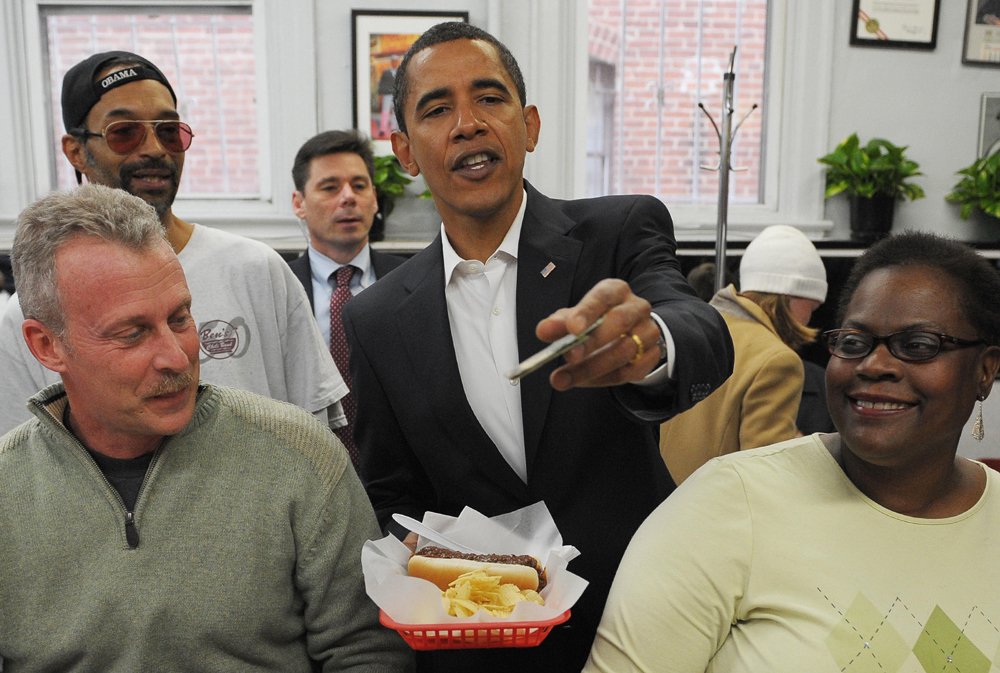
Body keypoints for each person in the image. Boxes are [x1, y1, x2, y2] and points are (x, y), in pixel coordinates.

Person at [341, 22, 734, 671]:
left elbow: (698, 326)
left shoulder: (617, 231)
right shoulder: (376, 318)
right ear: (406, 150)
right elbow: (393, 490)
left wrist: (648, 345)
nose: (467, 123)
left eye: (489, 99)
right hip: (485, 642)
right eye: (437, 108)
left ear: (529, 125)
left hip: (642, 615)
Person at [0, 184, 413, 672]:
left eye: (180, 318)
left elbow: (367, 650)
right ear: (47, 346)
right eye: (132, 334)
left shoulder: (300, 456)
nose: (178, 357)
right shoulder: (10, 486)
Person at [585, 231, 1000, 673]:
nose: (874, 365)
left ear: (986, 370)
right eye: (854, 342)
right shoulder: (729, 505)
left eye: (919, 345)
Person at [0, 51, 346, 436]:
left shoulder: (254, 269)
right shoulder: (32, 314)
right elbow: (25, 467)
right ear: (76, 151)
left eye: (169, 131)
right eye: (124, 132)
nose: (154, 149)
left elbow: (316, 440)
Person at [660, 225, 827, 483]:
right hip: (719, 515)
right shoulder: (777, 361)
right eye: (813, 306)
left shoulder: (692, 333)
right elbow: (765, 477)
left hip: (662, 511)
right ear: (793, 296)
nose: (809, 318)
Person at [288, 129, 406, 470]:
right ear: (299, 203)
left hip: (399, 476)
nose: (348, 198)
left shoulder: (414, 283)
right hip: (307, 472)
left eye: (359, 185)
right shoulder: (279, 288)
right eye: (329, 187)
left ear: (374, 198)